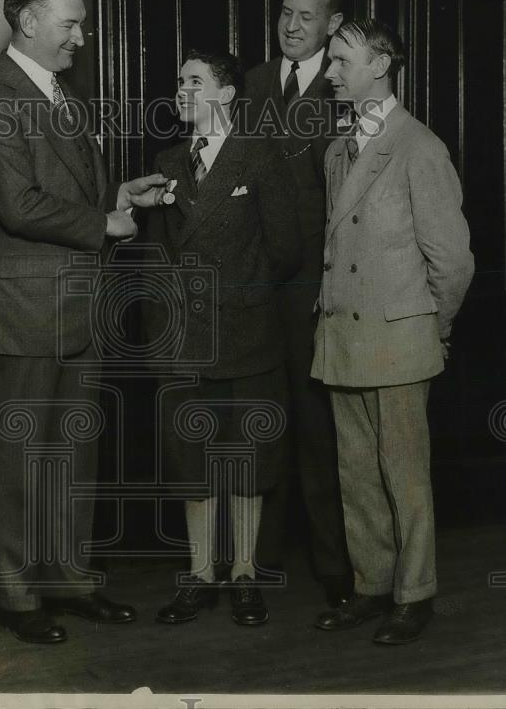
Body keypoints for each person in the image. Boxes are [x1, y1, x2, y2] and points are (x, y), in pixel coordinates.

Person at [0, 0, 166, 645]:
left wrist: (120, 199)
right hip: (23, 311)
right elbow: (18, 206)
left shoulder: (63, 94)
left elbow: (72, 193)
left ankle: (71, 579)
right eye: (70, 23)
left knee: (74, 455)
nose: (83, 34)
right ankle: (19, 595)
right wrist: (102, 224)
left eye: (81, 22)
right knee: (21, 460)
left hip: (77, 305)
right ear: (27, 23)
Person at [311, 19, 474, 644]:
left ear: (381, 66)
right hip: (344, 337)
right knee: (356, 474)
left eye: (341, 61)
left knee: (404, 475)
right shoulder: (336, 151)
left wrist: (433, 330)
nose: (329, 74)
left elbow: (453, 262)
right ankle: (372, 585)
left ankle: (415, 594)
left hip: (400, 340)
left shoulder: (419, 148)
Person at [138, 49, 301, 626]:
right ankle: (201, 575)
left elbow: (285, 247)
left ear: (227, 94)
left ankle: (246, 575)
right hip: (184, 340)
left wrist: (240, 292)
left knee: (248, 460)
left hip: (246, 332)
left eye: (196, 81)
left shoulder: (258, 156)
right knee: (192, 462)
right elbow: (157, 254)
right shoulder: (166, 161)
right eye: (179, 80)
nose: (183, 90)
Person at [243, 0, 354, 608]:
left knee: (318, 433)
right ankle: (260, 564)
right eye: (285, 12)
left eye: (305, 17)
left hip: (316, 296)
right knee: (263, 428)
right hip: (258, 293)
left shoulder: (346, 91)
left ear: (332, 25)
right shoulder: (252, 86)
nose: (290, 26)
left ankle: (335, 570)